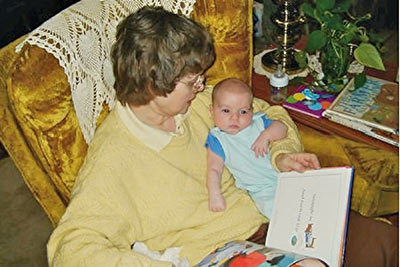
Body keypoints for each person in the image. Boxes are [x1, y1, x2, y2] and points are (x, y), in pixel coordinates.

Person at [46, 6, 398, 267]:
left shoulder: (197, 105)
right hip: (219, 251)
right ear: (154, 84)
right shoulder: (114, 157)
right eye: (192, 80)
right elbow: (70, 249)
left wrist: (281, 154)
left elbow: (273, 113)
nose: (202, 85)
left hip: (275, 218)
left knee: (382, 241)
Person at [206, 78, 288, 218]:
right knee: (277, 213)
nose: (235, 118)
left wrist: (266, 135)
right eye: (226, 110)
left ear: (252, 111)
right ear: (212, 111)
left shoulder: (258, 122)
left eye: (243, 112)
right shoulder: (218, 139)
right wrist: (215, 194)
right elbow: (214, 169)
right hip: (261, 189)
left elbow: (283, 128)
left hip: (285, 174)